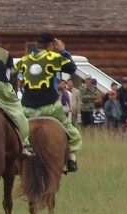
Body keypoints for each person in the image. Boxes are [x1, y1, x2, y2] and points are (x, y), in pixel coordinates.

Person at [15, 33, 82, 172]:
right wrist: (62, 50)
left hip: (27, 109)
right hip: (50, 108)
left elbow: (16, 74)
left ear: (37, 45)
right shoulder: (54, 57)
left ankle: (14, 162)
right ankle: (71, 159)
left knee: (15, 132)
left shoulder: (24, 60)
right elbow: (72, 68)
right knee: (74, 135)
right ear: (52, 45)